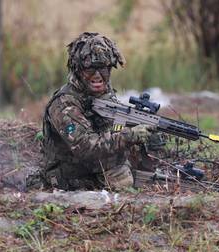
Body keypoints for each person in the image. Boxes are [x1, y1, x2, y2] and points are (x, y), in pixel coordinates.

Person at [41, 32, 157, 191]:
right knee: (124, 181)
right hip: (71, 178)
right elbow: (85, 146)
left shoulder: (103, 94)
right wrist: (129, 135)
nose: (97, 75)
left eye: (103, 68)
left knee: (145, 167)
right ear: (78, 69)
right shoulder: (64, 104)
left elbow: (114, 128)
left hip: (96, 167)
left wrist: (135, 127)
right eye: (90, 69)